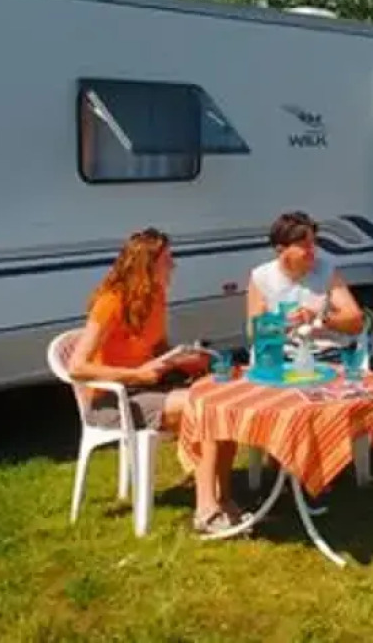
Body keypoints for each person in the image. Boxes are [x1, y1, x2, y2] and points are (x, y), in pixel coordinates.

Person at [68, 228, 245, 534]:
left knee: (221, 401)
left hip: (148, 388)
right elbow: (77, 367)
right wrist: (135, 375)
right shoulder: (111, 302)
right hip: (113, 401)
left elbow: (158, 347)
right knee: (202, 406)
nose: (173, 266)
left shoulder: (155, 297)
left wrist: (187, 360)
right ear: (147, 265)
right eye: (168, 260)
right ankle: (206, 511)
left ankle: (223, 499)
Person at [245, 211, 365, 343]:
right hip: (281, 356)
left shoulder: (325, 271)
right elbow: (254, 333)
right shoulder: (261, 277)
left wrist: (319, 319)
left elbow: (356, 322)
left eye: (313, 243)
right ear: (281, 250)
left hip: (323, 355)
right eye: (304, 245)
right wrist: (279, 322)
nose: (312, 250)